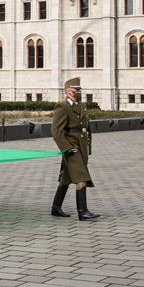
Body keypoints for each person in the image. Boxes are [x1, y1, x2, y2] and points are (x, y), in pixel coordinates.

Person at [50, 77, 99, 221]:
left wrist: (88, 146)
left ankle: (56, 208)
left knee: (66, 178)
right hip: (72, 146)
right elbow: (56, 131)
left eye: (80, 90)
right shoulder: (62, 106)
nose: (79, 92)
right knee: (81, 177)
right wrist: (67, 148)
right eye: (77, 90)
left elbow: (87, 129)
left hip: (81, 146)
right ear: (69, 91)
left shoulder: (82, 105)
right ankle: (82, 211)